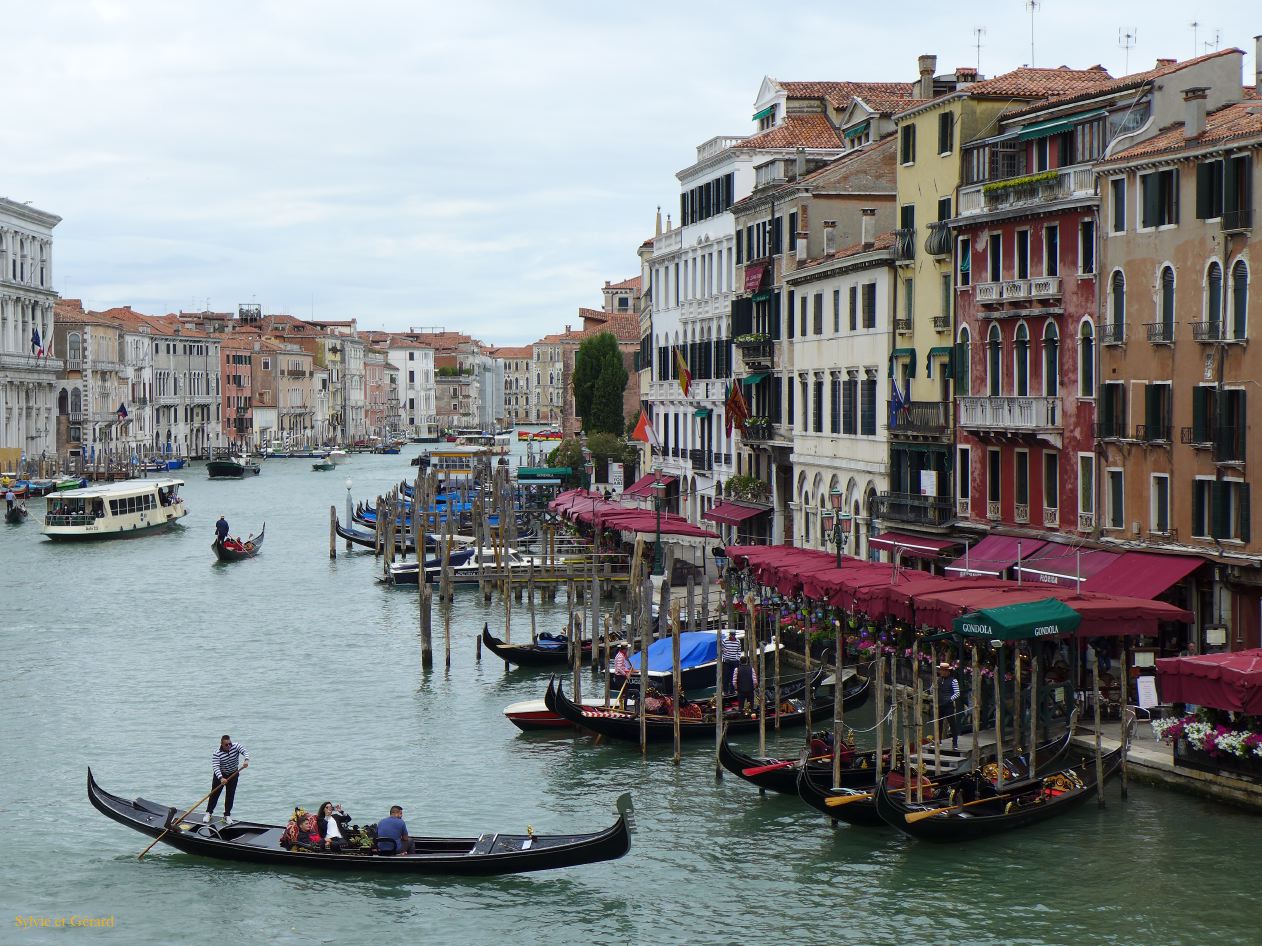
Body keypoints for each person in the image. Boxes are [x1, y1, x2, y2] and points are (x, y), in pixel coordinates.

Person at [205, 734, 249, 824]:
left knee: (230, 795)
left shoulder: (236, 746)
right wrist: (221, 778)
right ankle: (209, 813)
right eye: (226, 745)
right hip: (220, 775)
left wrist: (246, 760)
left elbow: (245, 751)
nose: (229, 746)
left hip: (233, 774)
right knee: (214, 794)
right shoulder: (217, 754)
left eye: (230, 744)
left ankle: (227, 815)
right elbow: (216, 767)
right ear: (221, 744)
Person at [937, 663, 961, 750]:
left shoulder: (954, 681)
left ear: (948, 671)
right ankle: (938, 741)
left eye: (943, 670)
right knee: (938, 724)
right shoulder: (938, 680)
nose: (942, 672)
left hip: (948, 706)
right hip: (939, 705)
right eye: (941, 670)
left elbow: (957, 693)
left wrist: (949, 700)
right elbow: (932, 690)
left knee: (952, 724)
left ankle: (955, 743)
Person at [721, 631, 741, 696]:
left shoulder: (738, 641)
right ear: (729, 635)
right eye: (732, 635)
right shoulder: (724, 641)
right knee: (726, 676)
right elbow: (721, 649)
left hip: (735, 661)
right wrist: (723, 650)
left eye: (734, 635)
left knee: (733, 676)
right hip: (726, 661)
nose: (733, 636)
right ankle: (725, 691)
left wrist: (737, 659)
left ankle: (732, 691)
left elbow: (739, 651)